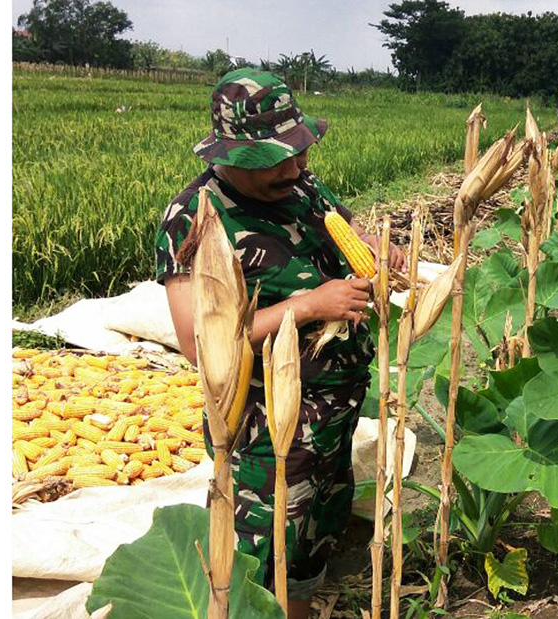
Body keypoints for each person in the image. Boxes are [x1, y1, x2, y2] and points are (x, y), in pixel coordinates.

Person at [155, 68, 405, 619]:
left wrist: (376, 249)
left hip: (332, 418)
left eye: (300, 150)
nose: (299, 166)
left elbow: (347, 229)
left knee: (311, 545)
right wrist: (311, 305)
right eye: (281, 158)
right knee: (263, 559)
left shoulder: (301, 185)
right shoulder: (194, 219)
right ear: (236, 157)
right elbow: (202, 346)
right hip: (267, 434)